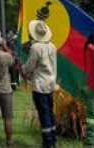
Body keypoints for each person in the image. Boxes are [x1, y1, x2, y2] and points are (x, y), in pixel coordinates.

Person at [22, 20, 57, 148]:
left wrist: (22, 68)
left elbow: (29, 67)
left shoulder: (35, 48)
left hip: (40, 85)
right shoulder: (52, 46)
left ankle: (48, 143)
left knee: (44, 114)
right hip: (50, 83)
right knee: (50, 112)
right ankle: (53, 140)